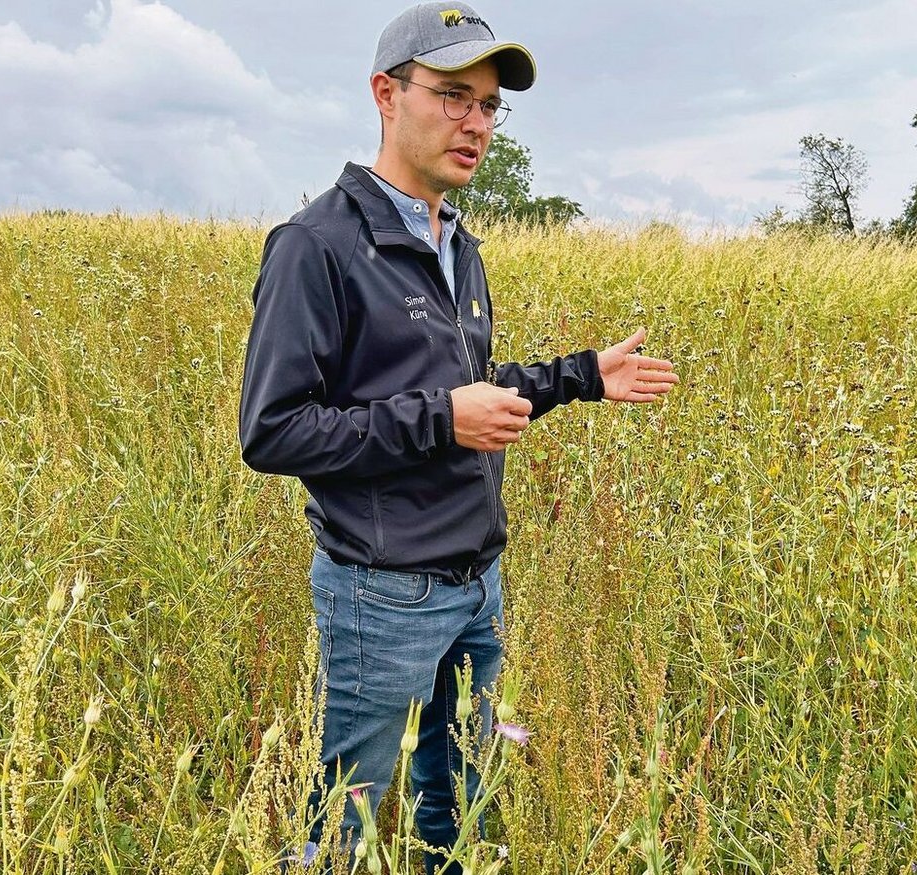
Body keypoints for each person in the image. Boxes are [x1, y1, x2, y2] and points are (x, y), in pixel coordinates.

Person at [237, 2, 679, 870]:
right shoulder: (315, 246)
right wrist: (443, 420)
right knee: (342, 826)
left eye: (488, 106)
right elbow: (274, 431)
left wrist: (582, 375)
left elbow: (469, 392)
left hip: (479, 584)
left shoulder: (454, 242)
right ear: (385, 94)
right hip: (382, 595)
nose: (475, 124)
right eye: (451, 96)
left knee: (462, 806)